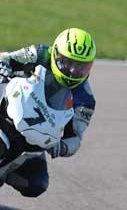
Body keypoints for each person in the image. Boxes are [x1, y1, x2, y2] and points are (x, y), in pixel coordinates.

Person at [0, 28, 97, 197]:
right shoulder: (40, 54)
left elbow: (76, 137)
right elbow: (5, 58)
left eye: (80, 67)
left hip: (34, 140)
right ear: (56, 54)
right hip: (8, 107)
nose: (73, 71)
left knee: (36, 183)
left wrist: (64, 147)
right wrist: (3, 68)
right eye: (67, 63)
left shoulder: (85, 99)